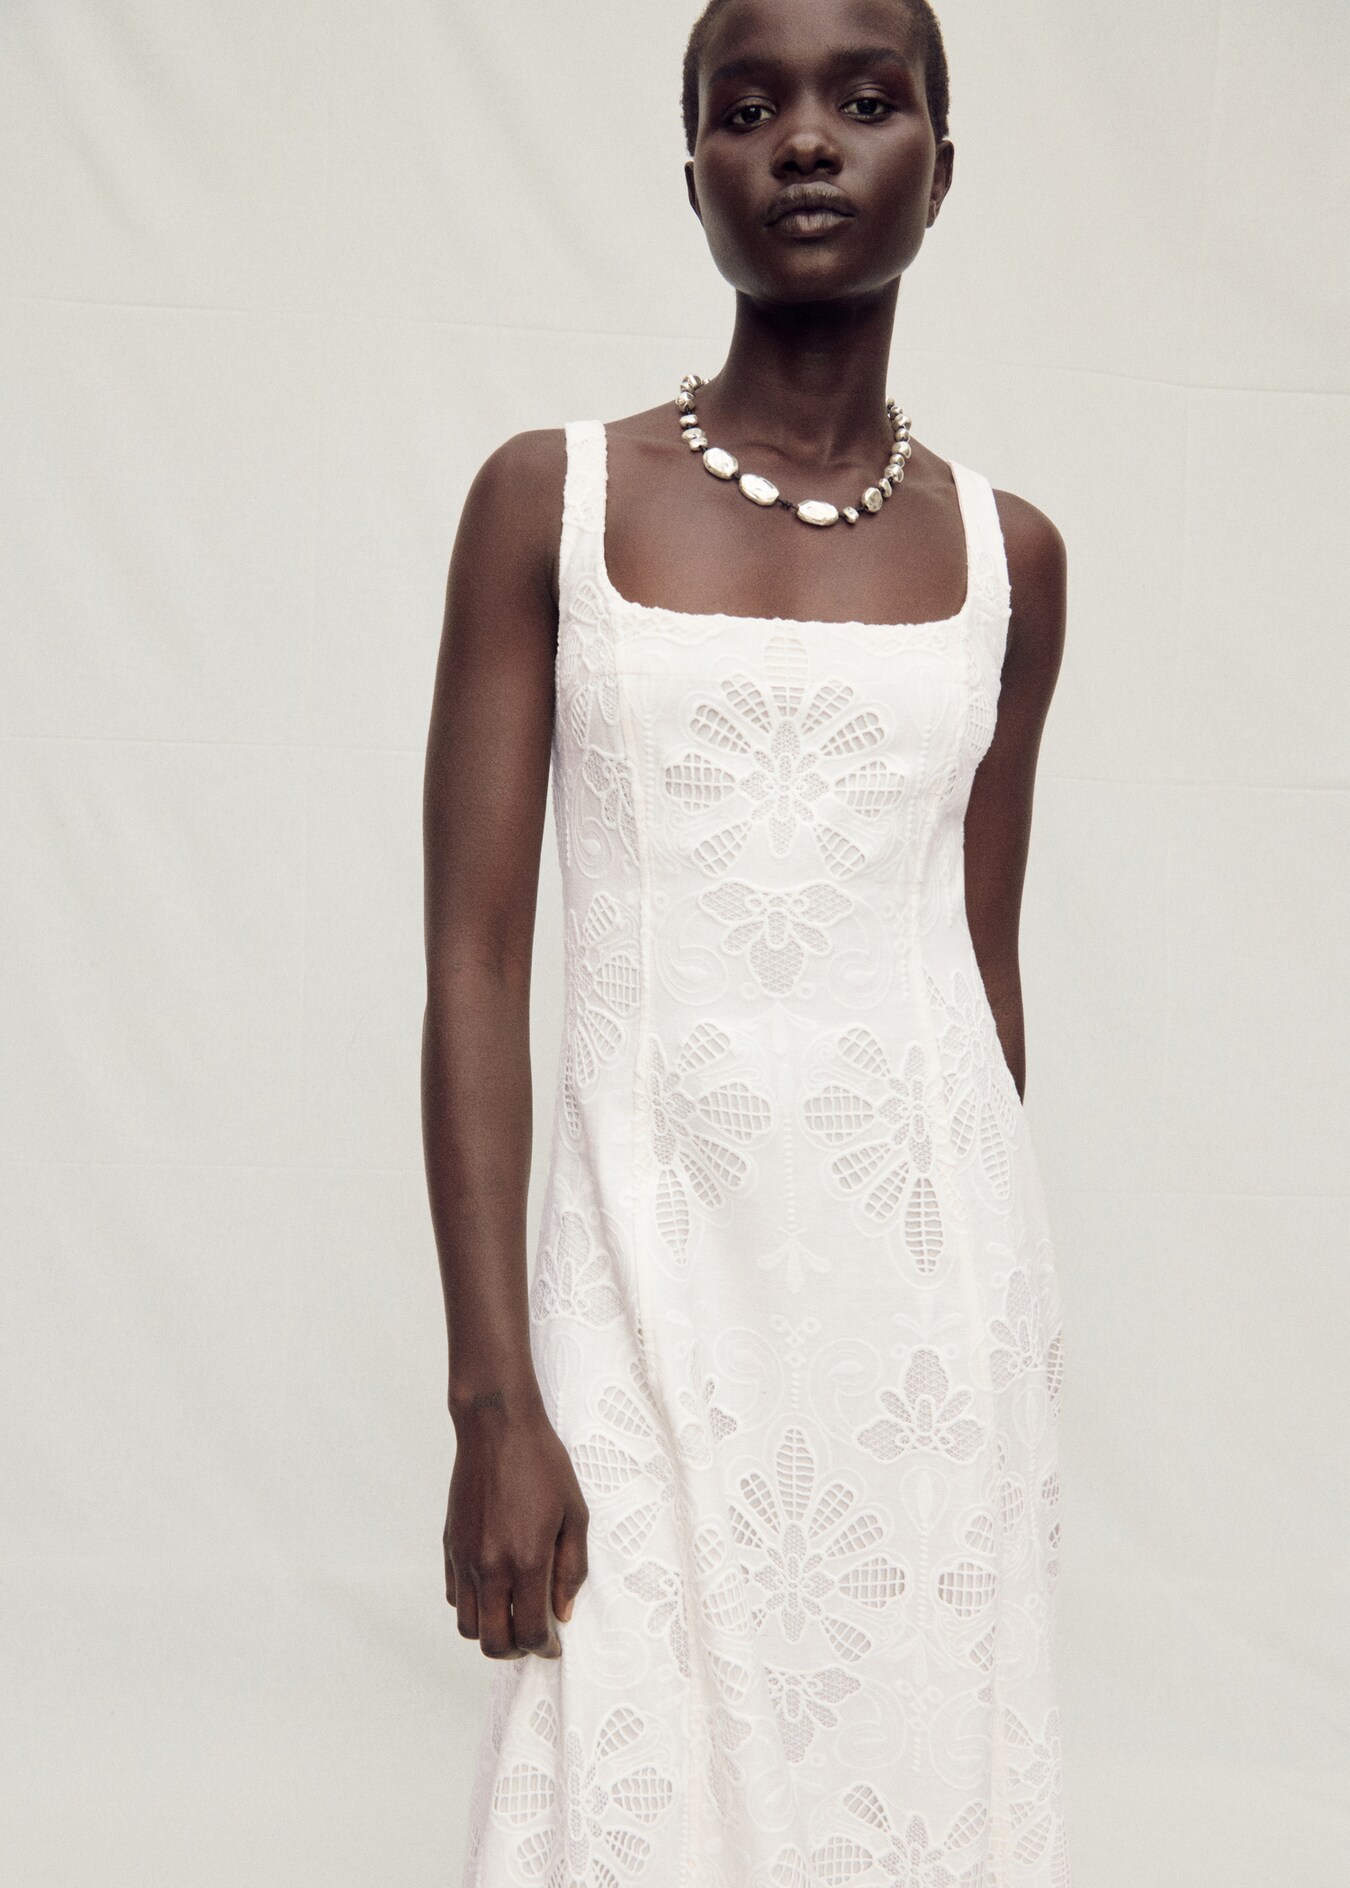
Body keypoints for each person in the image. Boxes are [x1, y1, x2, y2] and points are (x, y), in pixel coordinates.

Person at [421, 0, 1072, 1880]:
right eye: (744, 105)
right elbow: (474, 963)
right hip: (640, 1289)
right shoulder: (547, 501)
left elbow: (979, 973)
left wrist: (998, 1343)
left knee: (914, 1791)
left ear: (937, 172)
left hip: (925, 1327)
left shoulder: (1009, 559)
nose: (802, 141)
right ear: (692, 166)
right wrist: (493, 1401)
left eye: (865, 102)